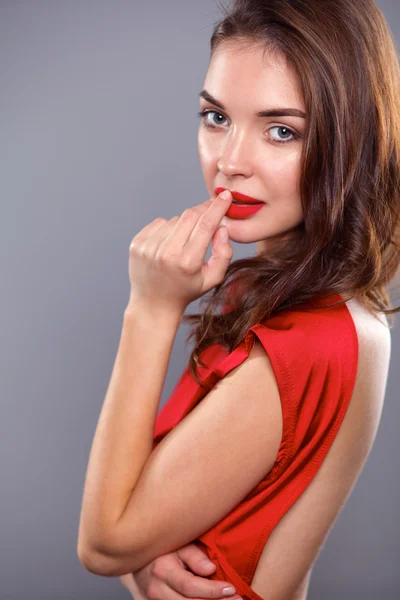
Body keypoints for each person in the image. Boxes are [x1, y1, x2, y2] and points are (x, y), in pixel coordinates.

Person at [77, 1, 399, 599]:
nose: (230, 162)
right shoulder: (280, 299)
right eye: (216, 117)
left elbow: (104, 541)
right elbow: (136, 523)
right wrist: (146, 563)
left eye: (282, 130)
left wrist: (149, 311)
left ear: (351, 141)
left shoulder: (312, 340)